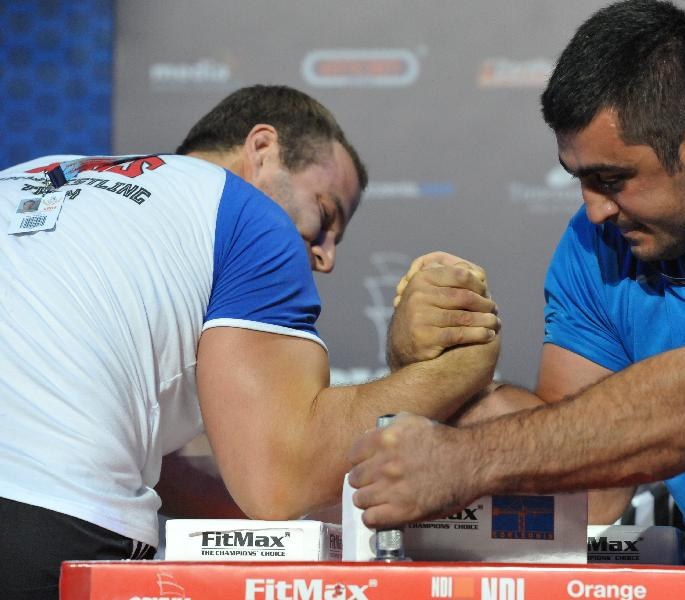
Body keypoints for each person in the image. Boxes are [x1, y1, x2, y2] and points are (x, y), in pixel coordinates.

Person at [348, 2, 685, 598]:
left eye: (611, 179)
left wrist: (464, 461)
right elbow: (588, 474)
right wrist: (424, 358)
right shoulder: (599, 242)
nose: (593, 210)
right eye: (580, 179)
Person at [0, 85, 500, 598]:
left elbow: (175, 473)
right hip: (44, 528)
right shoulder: (250, 218)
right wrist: (463, 363)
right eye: (325, 215)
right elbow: (279, 482)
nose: (326, 256)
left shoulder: (27, 176)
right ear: (263, 150)